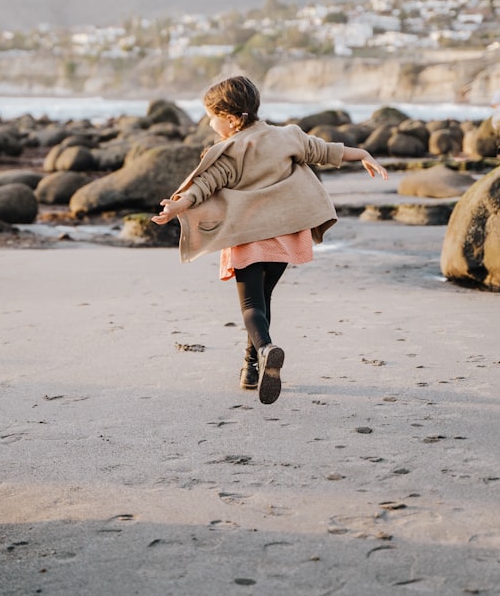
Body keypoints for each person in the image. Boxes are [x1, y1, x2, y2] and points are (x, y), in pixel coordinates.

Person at [151, 76, 388, 404]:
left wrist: (178, 204)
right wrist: (363, 152)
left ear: (231, 119)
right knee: (263, 300)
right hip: (287, 236)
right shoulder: (287, 135)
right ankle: (251, 368)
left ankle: (264, 350)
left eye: (212, 116)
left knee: (250, 306)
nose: (209, 123)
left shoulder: (231, 150)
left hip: (250, 238)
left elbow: (205, 183)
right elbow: (324, 151)